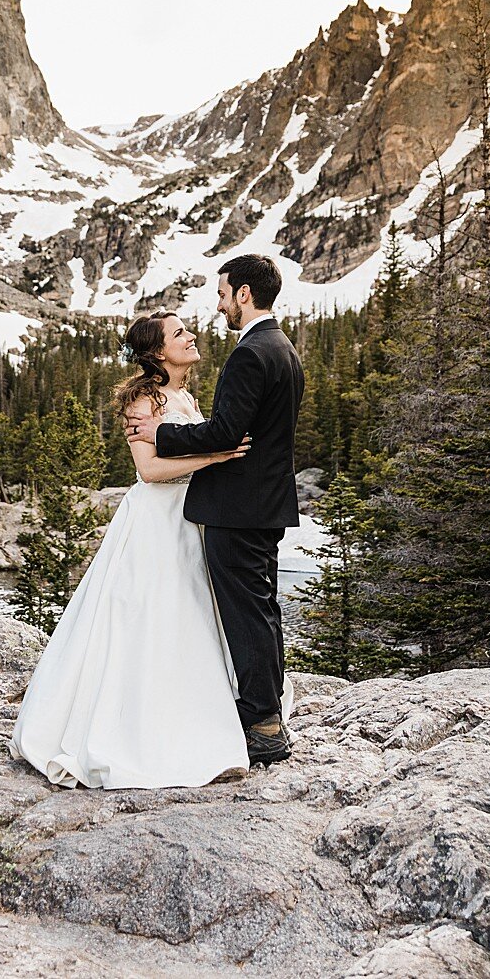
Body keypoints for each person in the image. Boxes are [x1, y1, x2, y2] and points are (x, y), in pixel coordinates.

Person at [10, 312, 253, 788]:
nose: (191, 335)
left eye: (188, 327)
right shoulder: (144, 398)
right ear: (158, 351)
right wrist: (217, 457)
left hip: (192, 519)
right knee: (148, 616)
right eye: (179, 332)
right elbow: (150, 470)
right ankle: (133, 731)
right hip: (157, 521)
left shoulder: (185, 395)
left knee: (191, 619)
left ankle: (194, 715)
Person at [127, 253, 305, 766]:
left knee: (247, 614)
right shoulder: (283, 348)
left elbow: (229, 433)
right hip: (262, 506)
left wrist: (161, 433)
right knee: (261, 609)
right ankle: (265, 713)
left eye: (223, 293)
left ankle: (264, 724)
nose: (220, 304)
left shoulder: (251, 353)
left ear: (244, 294)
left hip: (238, 509)